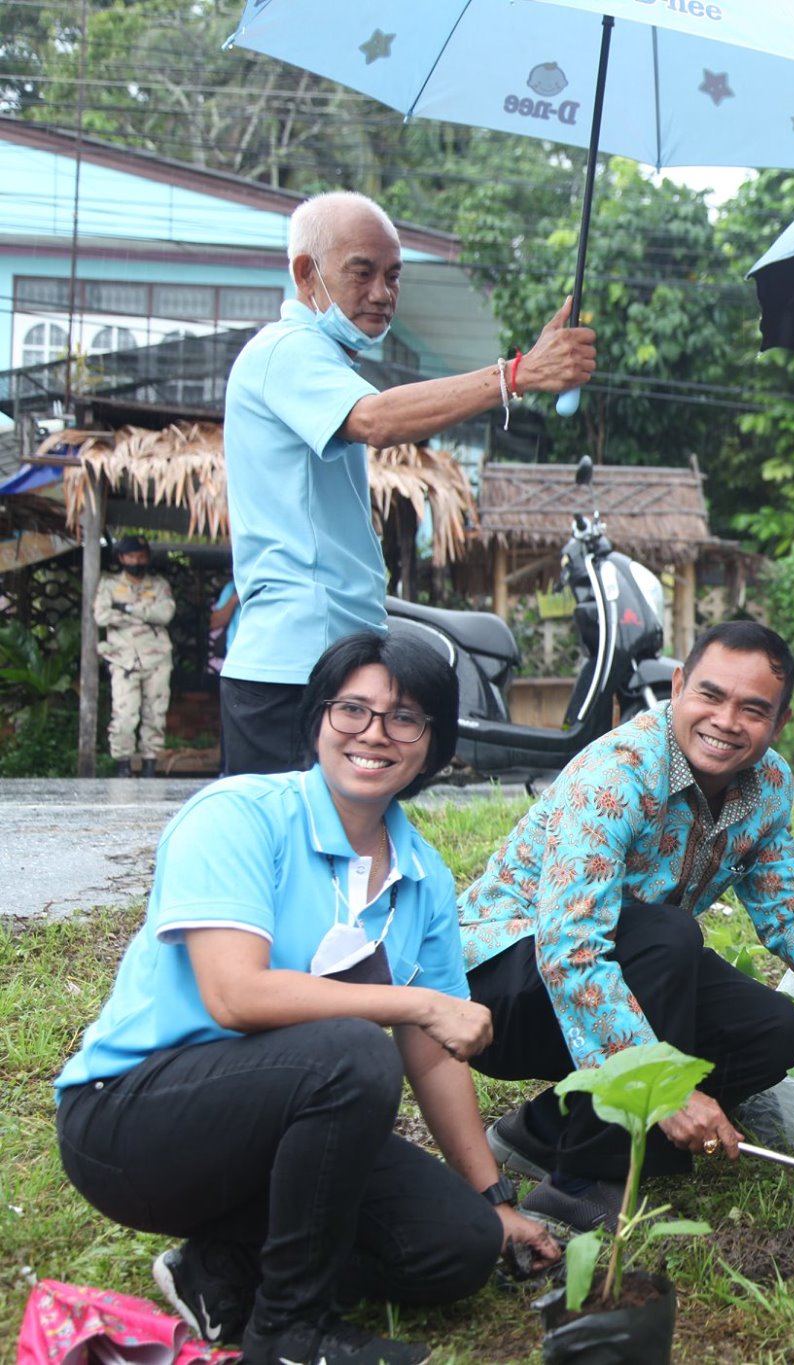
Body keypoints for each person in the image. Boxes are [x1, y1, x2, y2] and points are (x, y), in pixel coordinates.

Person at [55, 632, 558, 1365]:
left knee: (456, 1247)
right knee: (350, 1050)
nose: (373, 733)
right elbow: (234, 995)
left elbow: (433, 1057)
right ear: (319, 717)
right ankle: (290, 1333)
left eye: (404, 718)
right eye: (352, 708)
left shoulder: (423, 877)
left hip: (272, 1138)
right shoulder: (238, 815)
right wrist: (411, 1004)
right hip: (132, 1124)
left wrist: (495, 1201)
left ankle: (221, 1269)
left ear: (434, 747)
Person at [459, 620, 794, 1233]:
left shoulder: (768, 784)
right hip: (499, 991)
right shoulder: (619, 773)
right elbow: (570, 950)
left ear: (780, 722)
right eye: (710, 695)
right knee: (669, 936)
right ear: (679, 686)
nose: (726, 721)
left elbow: (786, 909)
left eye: (753, 709)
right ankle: (580, 1183)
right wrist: (664, 1089)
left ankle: (541, 1129)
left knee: (772, 1030)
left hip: (628, 968)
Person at [219, 189, 596, 776]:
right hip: (295, 665)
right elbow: (377, 420)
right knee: (291, 832)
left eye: (393, 276)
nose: (382, 293)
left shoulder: (324, 359)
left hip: (330, 659)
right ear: (305, 273)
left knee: (348, 828)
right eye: (362, 272)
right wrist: (517, 374)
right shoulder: (286, 350)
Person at [94, 534, 176, 778]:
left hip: (157, 659)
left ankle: (150, 765)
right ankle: (123, 766)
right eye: (131, 556)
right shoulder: (109, 584)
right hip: (123, 659)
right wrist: (146, 615)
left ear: (147, 557)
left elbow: (165, 614)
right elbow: (102, 616)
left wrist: (128, 609)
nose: (136, 561)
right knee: (124, 715)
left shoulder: (159, 585)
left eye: (140, 556)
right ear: (121, 558)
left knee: (156, 714)